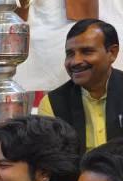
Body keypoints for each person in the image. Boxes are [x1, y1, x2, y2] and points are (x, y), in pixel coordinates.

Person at [39, 19, 121, 151]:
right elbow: (52, 158)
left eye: (87, 51)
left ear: (112, 53)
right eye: (70, 54)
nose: (75, 61)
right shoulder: (53, 104)